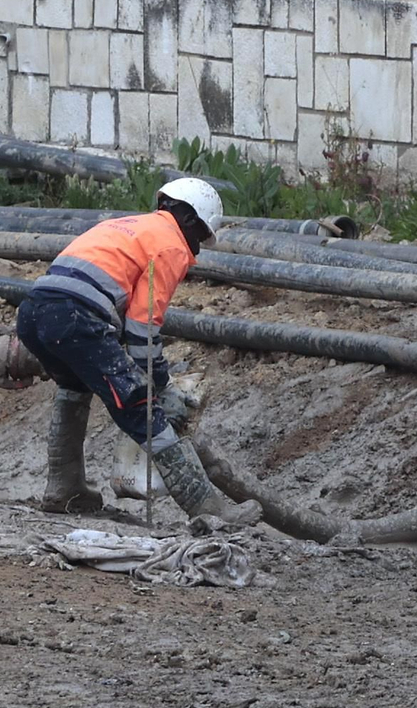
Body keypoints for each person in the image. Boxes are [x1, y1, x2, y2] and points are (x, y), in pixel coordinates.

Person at [14, 178, 262, 525]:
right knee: (139, 406)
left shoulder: (126, 226)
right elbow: (142, 331)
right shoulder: (170, 245)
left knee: (74, 387)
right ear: (189, 220)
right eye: (201, 237)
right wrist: (161, 386)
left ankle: (65, 488)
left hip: (33, 314)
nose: (198, 250)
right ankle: (207, 507)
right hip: (74, 318)